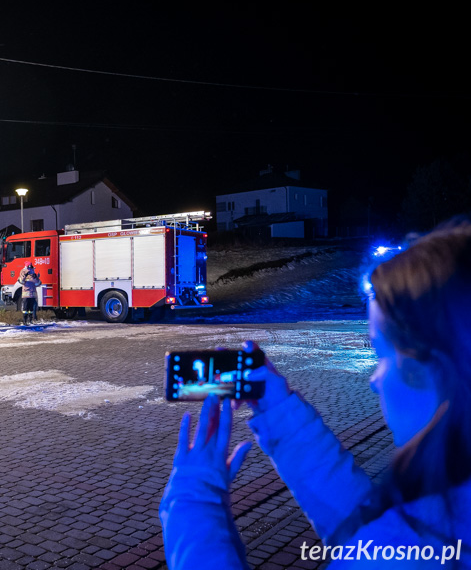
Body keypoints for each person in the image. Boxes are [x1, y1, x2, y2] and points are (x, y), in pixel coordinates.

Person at [160, 215, 471, 569]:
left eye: (381, 353)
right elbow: (366, 533)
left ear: (438, 368)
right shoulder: (440, 518)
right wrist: (282, 416)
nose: (374, 378)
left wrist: (193, 502)